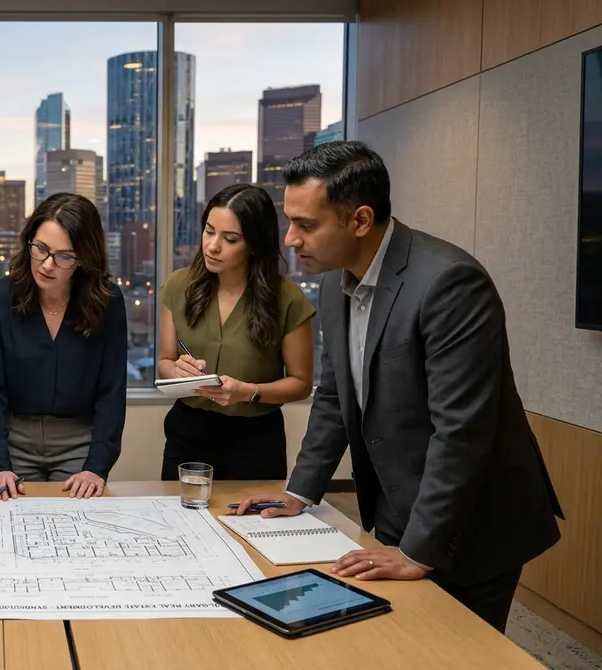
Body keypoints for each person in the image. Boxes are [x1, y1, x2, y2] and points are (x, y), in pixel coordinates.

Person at [231, 140, 563, 633]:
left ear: (360, 220)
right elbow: (332, 396)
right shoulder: (332, 282)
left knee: (459, 654)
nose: (290, 240)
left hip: (472, 521)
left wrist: (416, 551)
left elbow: (462, 433)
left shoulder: (450, 283)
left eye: (306, 225)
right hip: (394, 503)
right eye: (289, 222)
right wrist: (300, 492)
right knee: (393, 641)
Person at [156, 183, 316, 481]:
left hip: (255, 439)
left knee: (247, 523)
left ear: (255, 243)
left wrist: (248, 392)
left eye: (230, 239)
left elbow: (301, 383)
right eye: (209, 231)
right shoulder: (179, 286)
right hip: (187, 432)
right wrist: (178, 371)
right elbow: (165, 361)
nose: (213, 246)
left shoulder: (287, 299)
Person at [0, 193, 127, 500]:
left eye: (63, 256)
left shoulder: (108, 302)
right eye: (41, 249)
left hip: (80, 444)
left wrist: (96, 467)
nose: (46, 264)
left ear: (84, 257)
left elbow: (112, 392)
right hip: (14, 442)